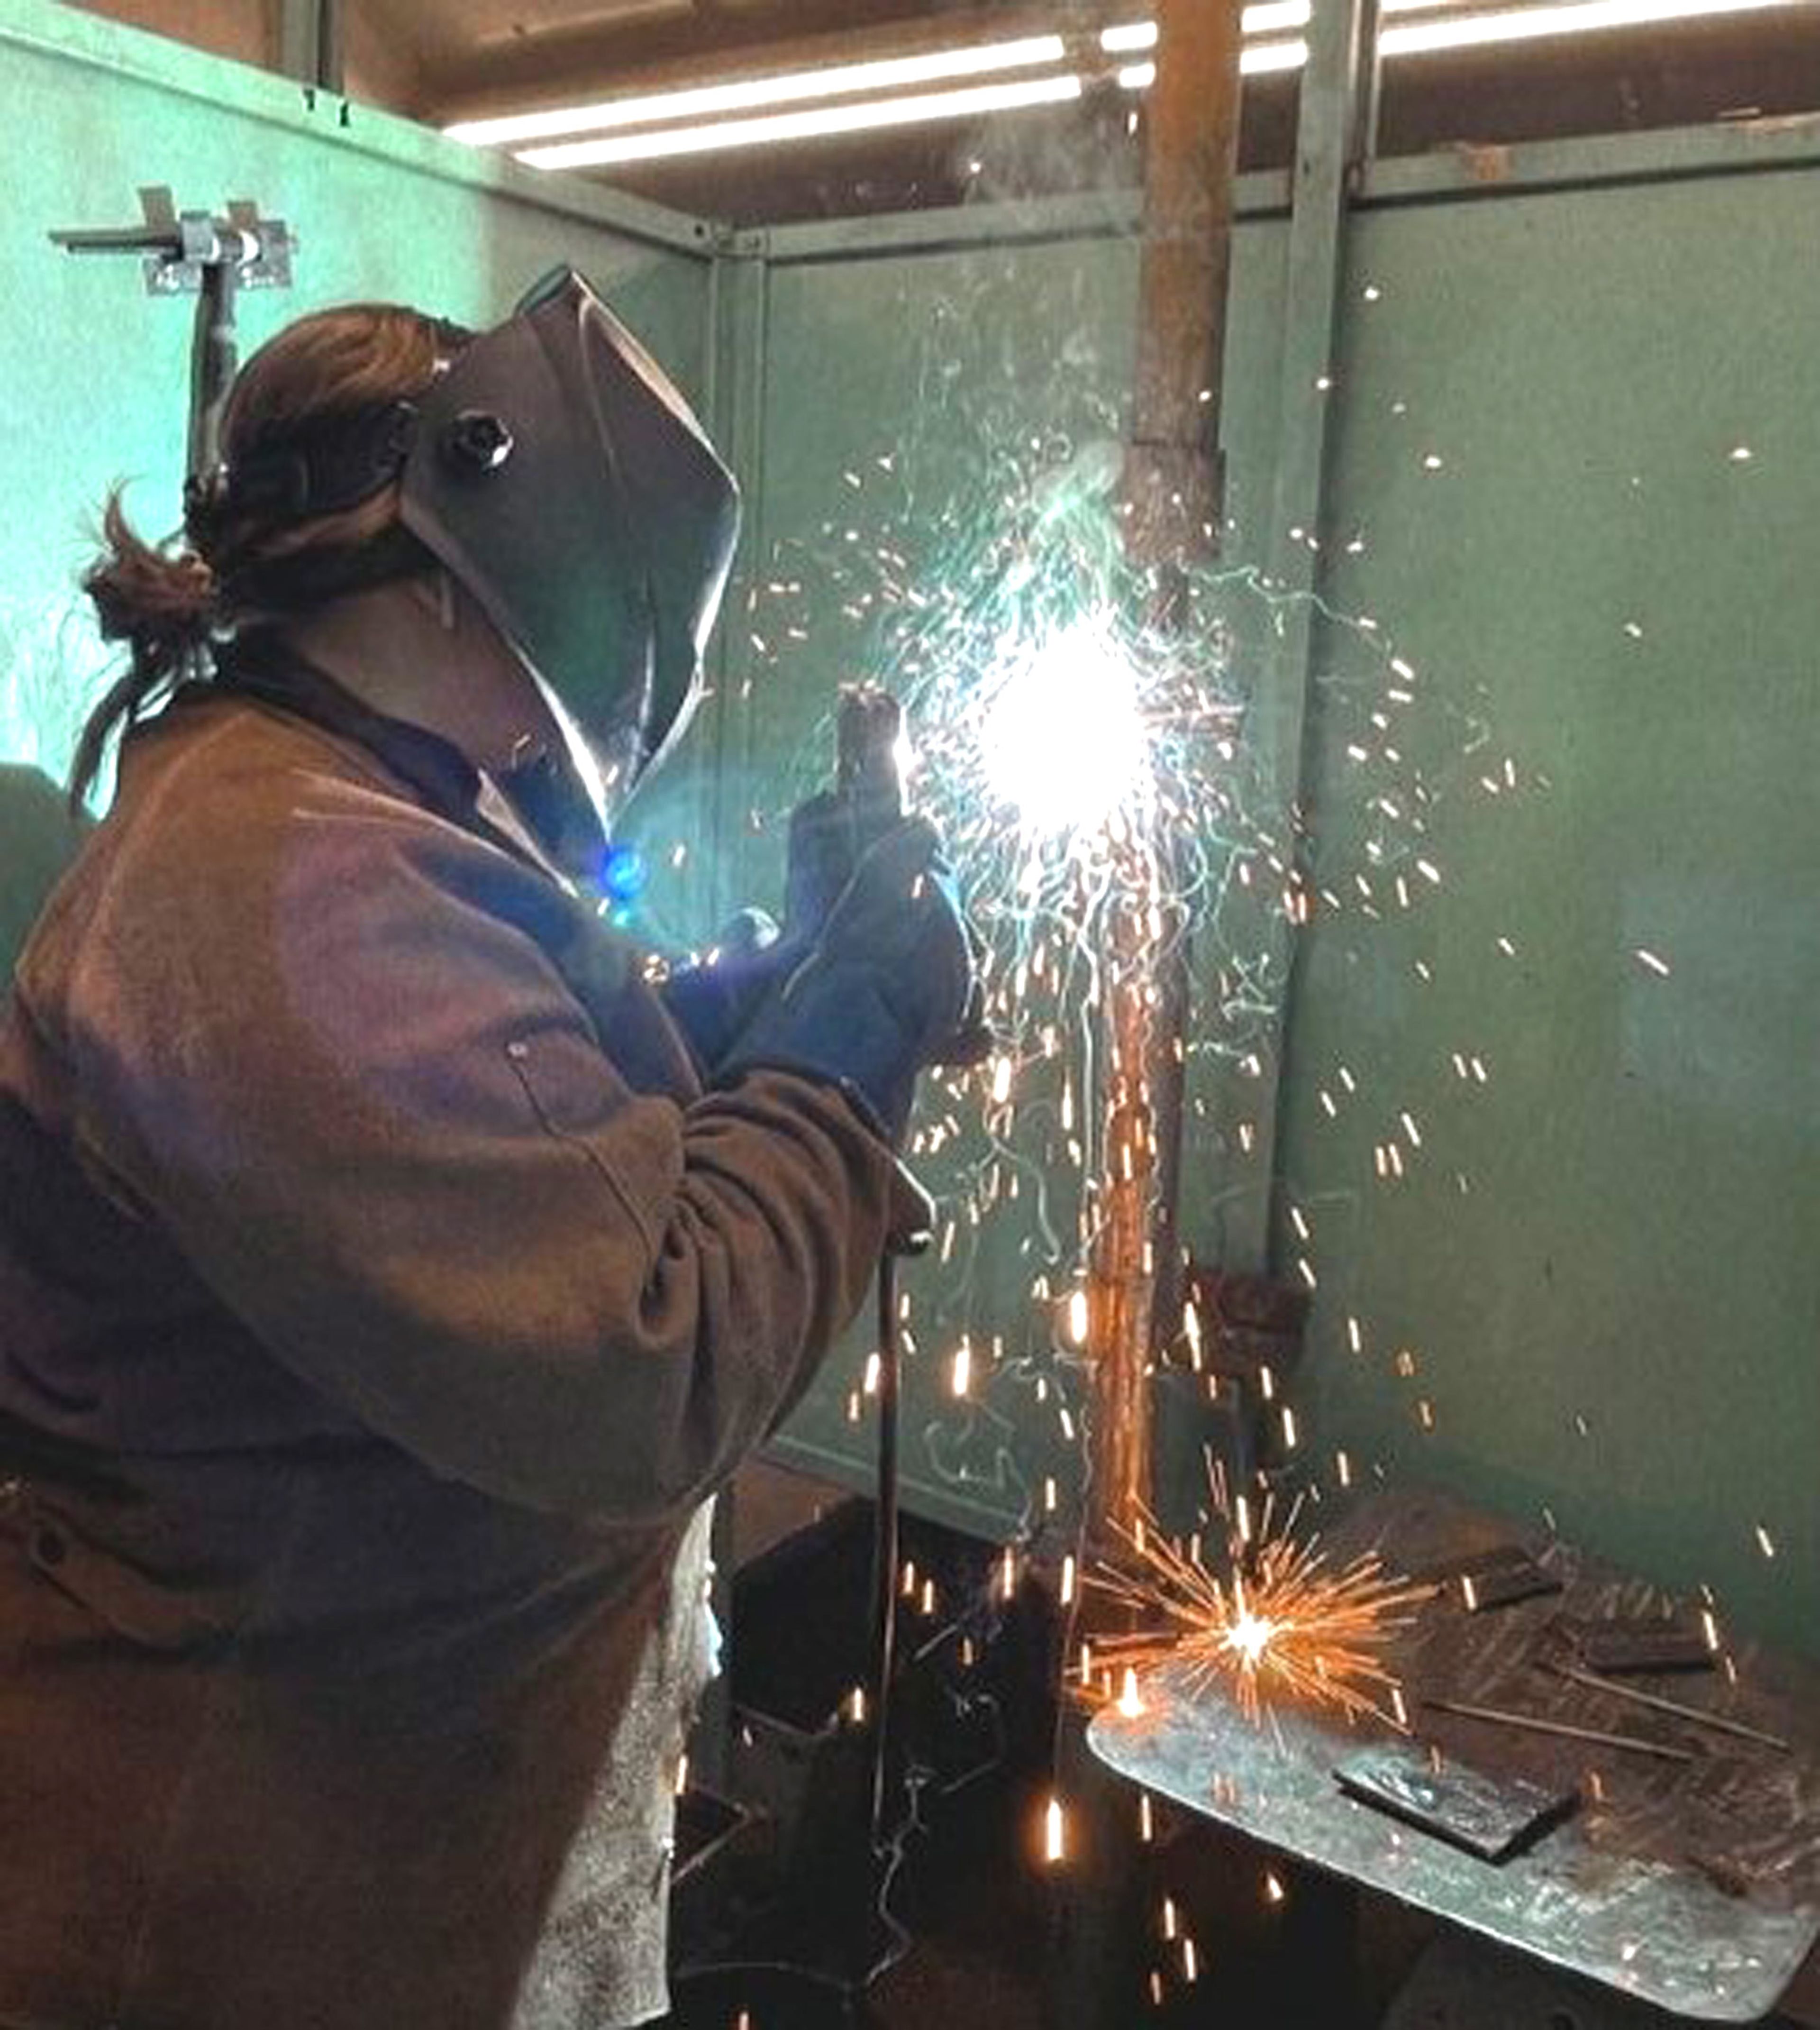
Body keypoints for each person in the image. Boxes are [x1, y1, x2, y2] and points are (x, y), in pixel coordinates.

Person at [0, 268, 973, 2030]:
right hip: (262, 1925)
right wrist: (844, 1054)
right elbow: (640, 1346)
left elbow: (526, 1091)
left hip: (409, 1861)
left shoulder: (340, 807)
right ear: (457, 577)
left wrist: (796, 983)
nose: (546, 729)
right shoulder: (279, 886)